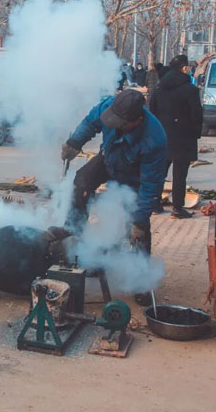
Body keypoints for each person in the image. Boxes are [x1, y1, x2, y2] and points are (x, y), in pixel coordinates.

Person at [61, 89, 167, 304]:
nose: (114, 125)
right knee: (81, 182)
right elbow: (90, 123)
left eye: (120, 123)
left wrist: (139, 219)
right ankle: (74, 241)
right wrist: (74, 143)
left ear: (136, 120)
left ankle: (141, 281)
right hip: (109, 158)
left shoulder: (154, 139)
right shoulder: (111, 105)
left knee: (138, 227)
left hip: (134, 175)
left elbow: (150, 186)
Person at [149, 55, 203, 219]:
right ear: (184, 68)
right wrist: (196, 134)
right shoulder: (190, 90)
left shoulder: (158, 89)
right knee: (180, 175)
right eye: (188, 67)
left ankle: (154, 205)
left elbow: (152, 113)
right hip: (183, 138)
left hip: (161, 137)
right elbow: (196, 116)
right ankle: (177, 209)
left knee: (159, 172)